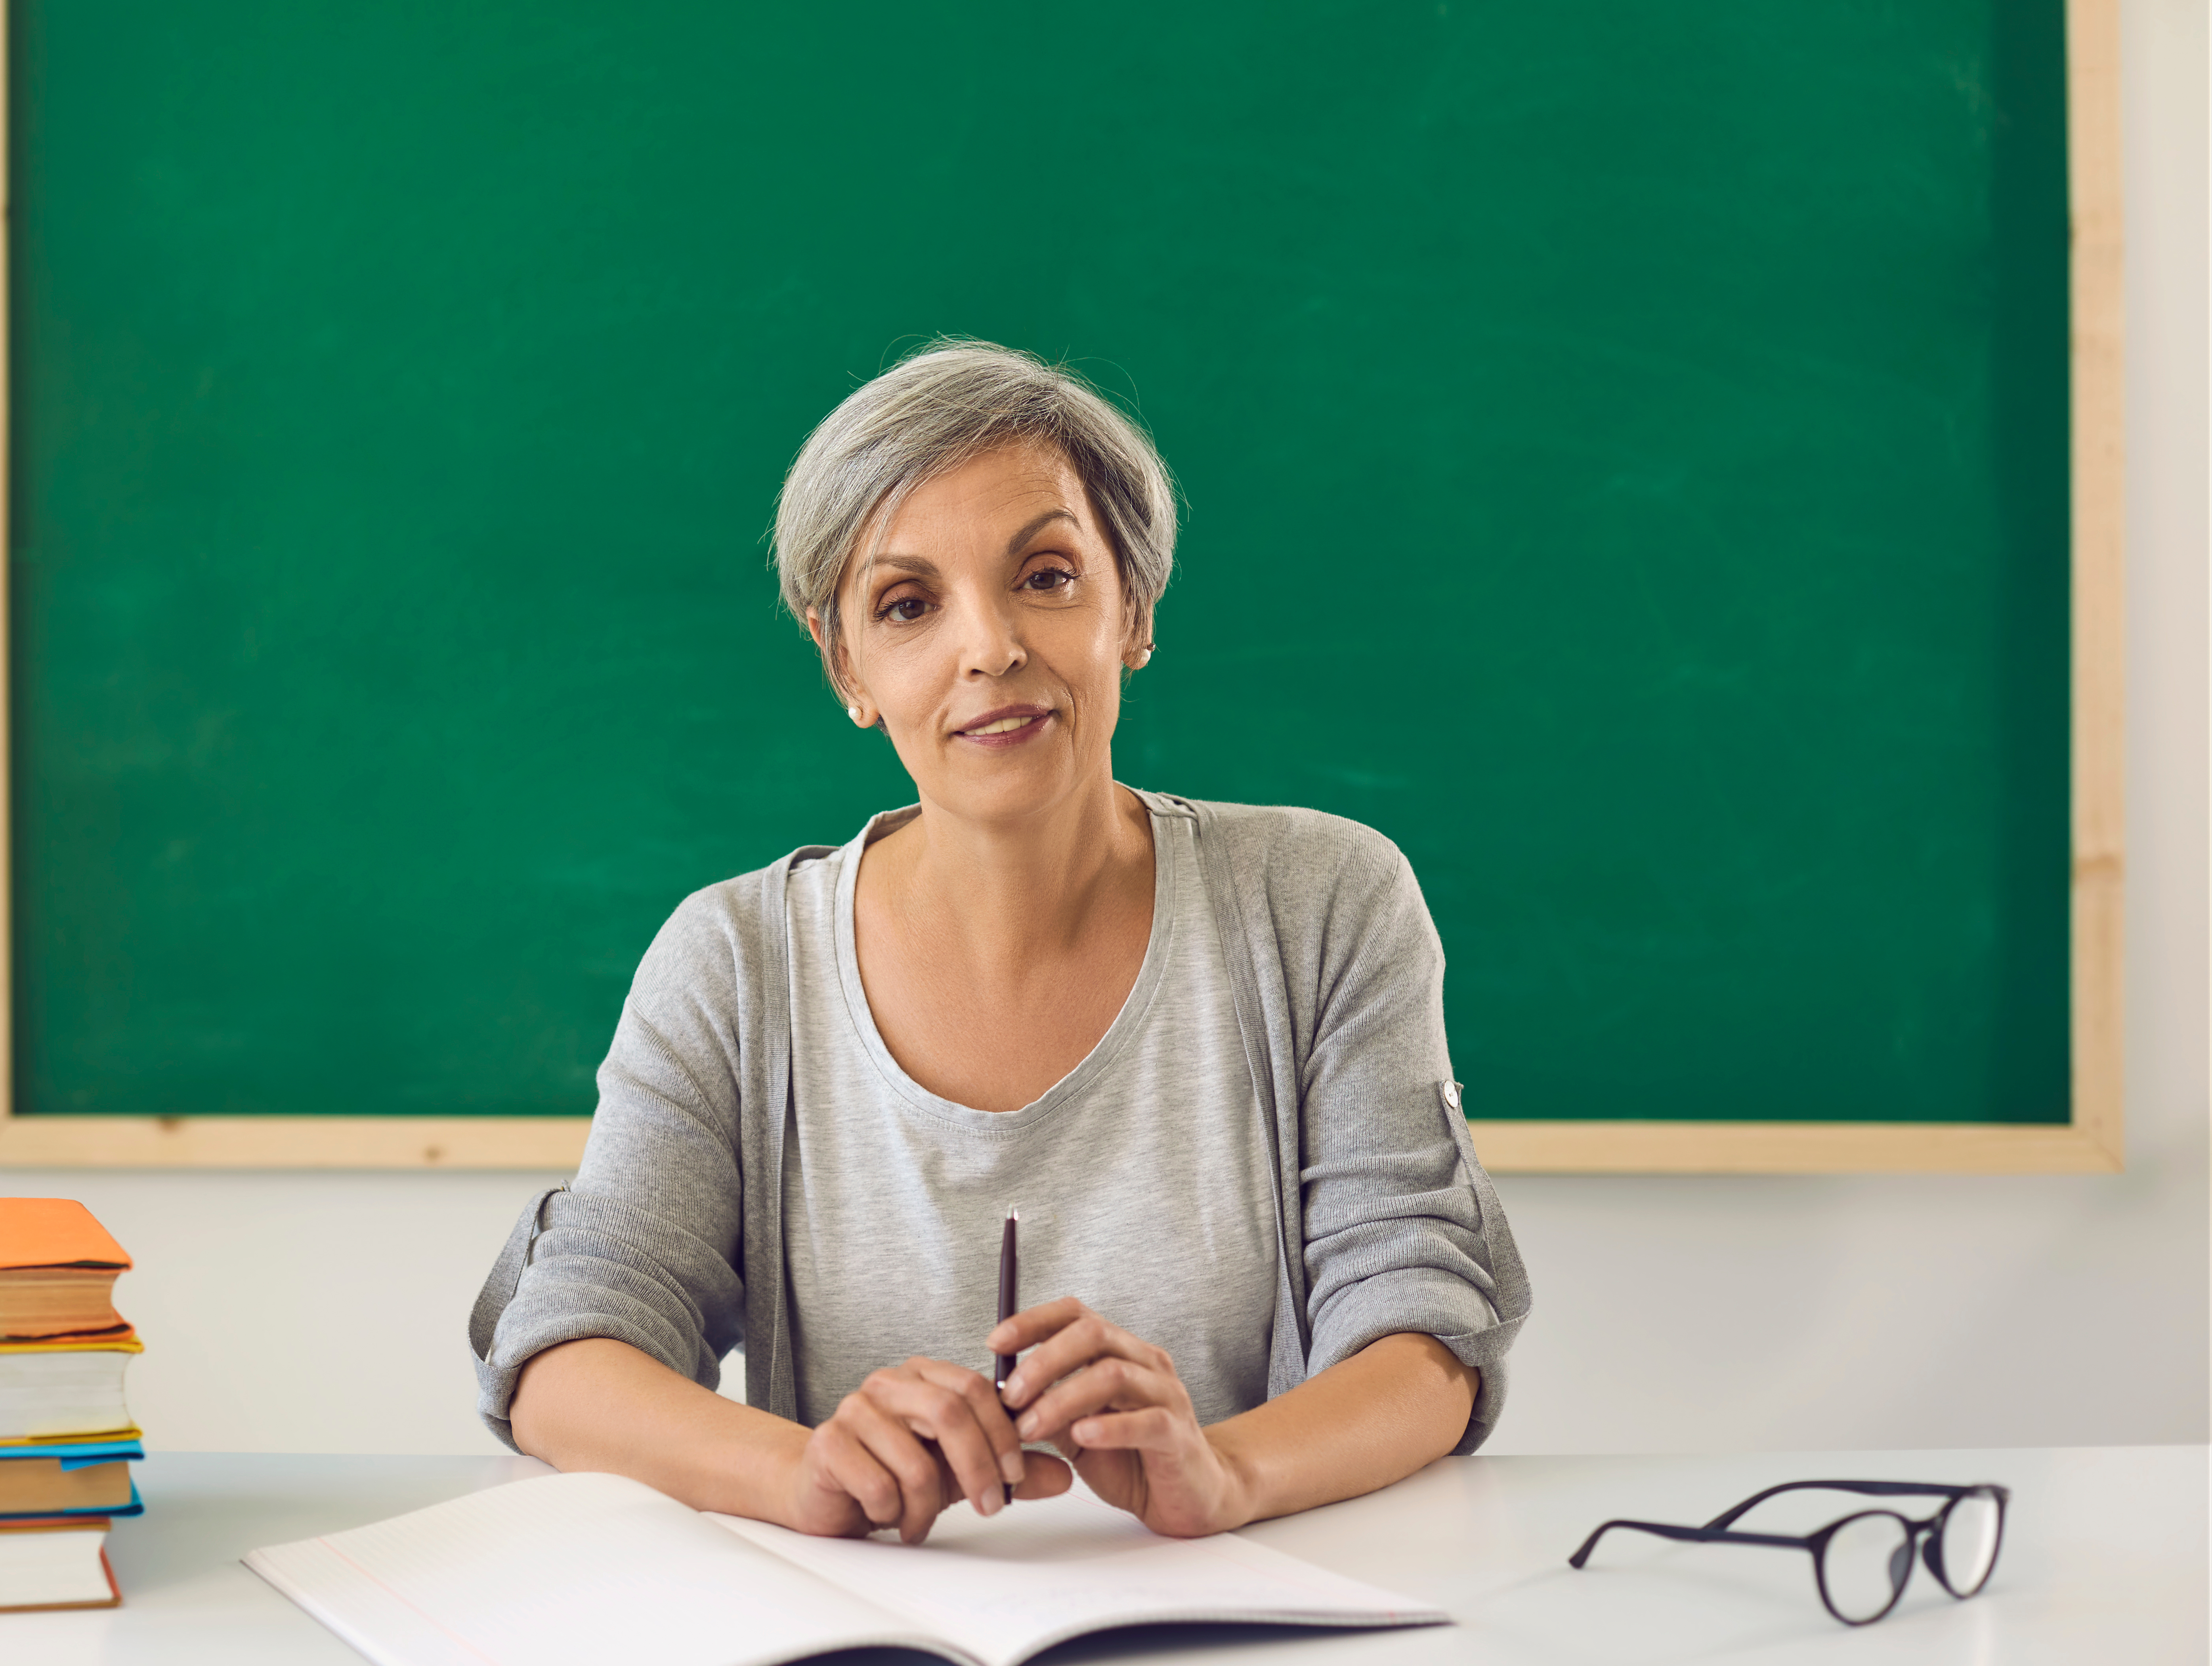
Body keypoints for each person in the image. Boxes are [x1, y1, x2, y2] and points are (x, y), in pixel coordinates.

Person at [468, 340, 1528, 1545]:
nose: (990, 648)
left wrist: (1224, 1472)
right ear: (847, 668)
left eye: (1046, 575)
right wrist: (802, 1471)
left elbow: (1428, 1332)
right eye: (908, 605)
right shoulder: (734, 964)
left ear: (1130, 607)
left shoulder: (1325, 901)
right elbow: (562, 1357)